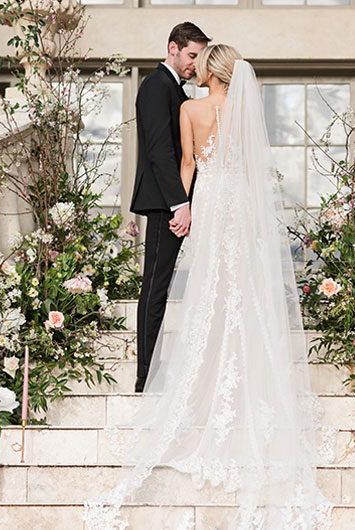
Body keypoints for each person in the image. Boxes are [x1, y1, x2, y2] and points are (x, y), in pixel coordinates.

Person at [85, 44, 332, 530]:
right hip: (240, 201)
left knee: (211, 288)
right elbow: (256, 170)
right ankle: (248, 372)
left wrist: (185, 209)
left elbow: (188, 168)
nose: (192, 68)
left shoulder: (189, 108)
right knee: (245, 288)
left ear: (209, 70)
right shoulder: (244, 110)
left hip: (211, 201)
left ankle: (206, 370)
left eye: (200, 62)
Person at [131, 22, 210, 393]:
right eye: (192, 55)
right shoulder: (155, 86)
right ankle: (146, 376)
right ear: (173, 48)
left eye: (199, 56)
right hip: (167, 205)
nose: (195, 64)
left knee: (163, 285)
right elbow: (160, 152)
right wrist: (180, 203)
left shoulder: (174, 90)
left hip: (180, 202)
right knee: (155, 287)